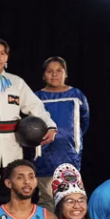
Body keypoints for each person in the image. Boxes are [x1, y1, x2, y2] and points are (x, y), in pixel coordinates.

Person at [0, 38, 56, 169]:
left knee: (12, 178)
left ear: (7, 57)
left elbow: (36, 107)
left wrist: (50, 126)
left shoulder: (17, 82)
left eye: (2, 53)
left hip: (13, 145)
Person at [35, 57, 90, 210]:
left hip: (70, 155)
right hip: (44, 157)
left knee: (70, 199)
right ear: (43, 75)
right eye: (50, 71)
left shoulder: (76, 95)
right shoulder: (37, 97)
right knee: (47, 199)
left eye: (59, 71)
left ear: (66, 73)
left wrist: (72, 140)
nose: (54, 75)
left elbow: (84, 121)